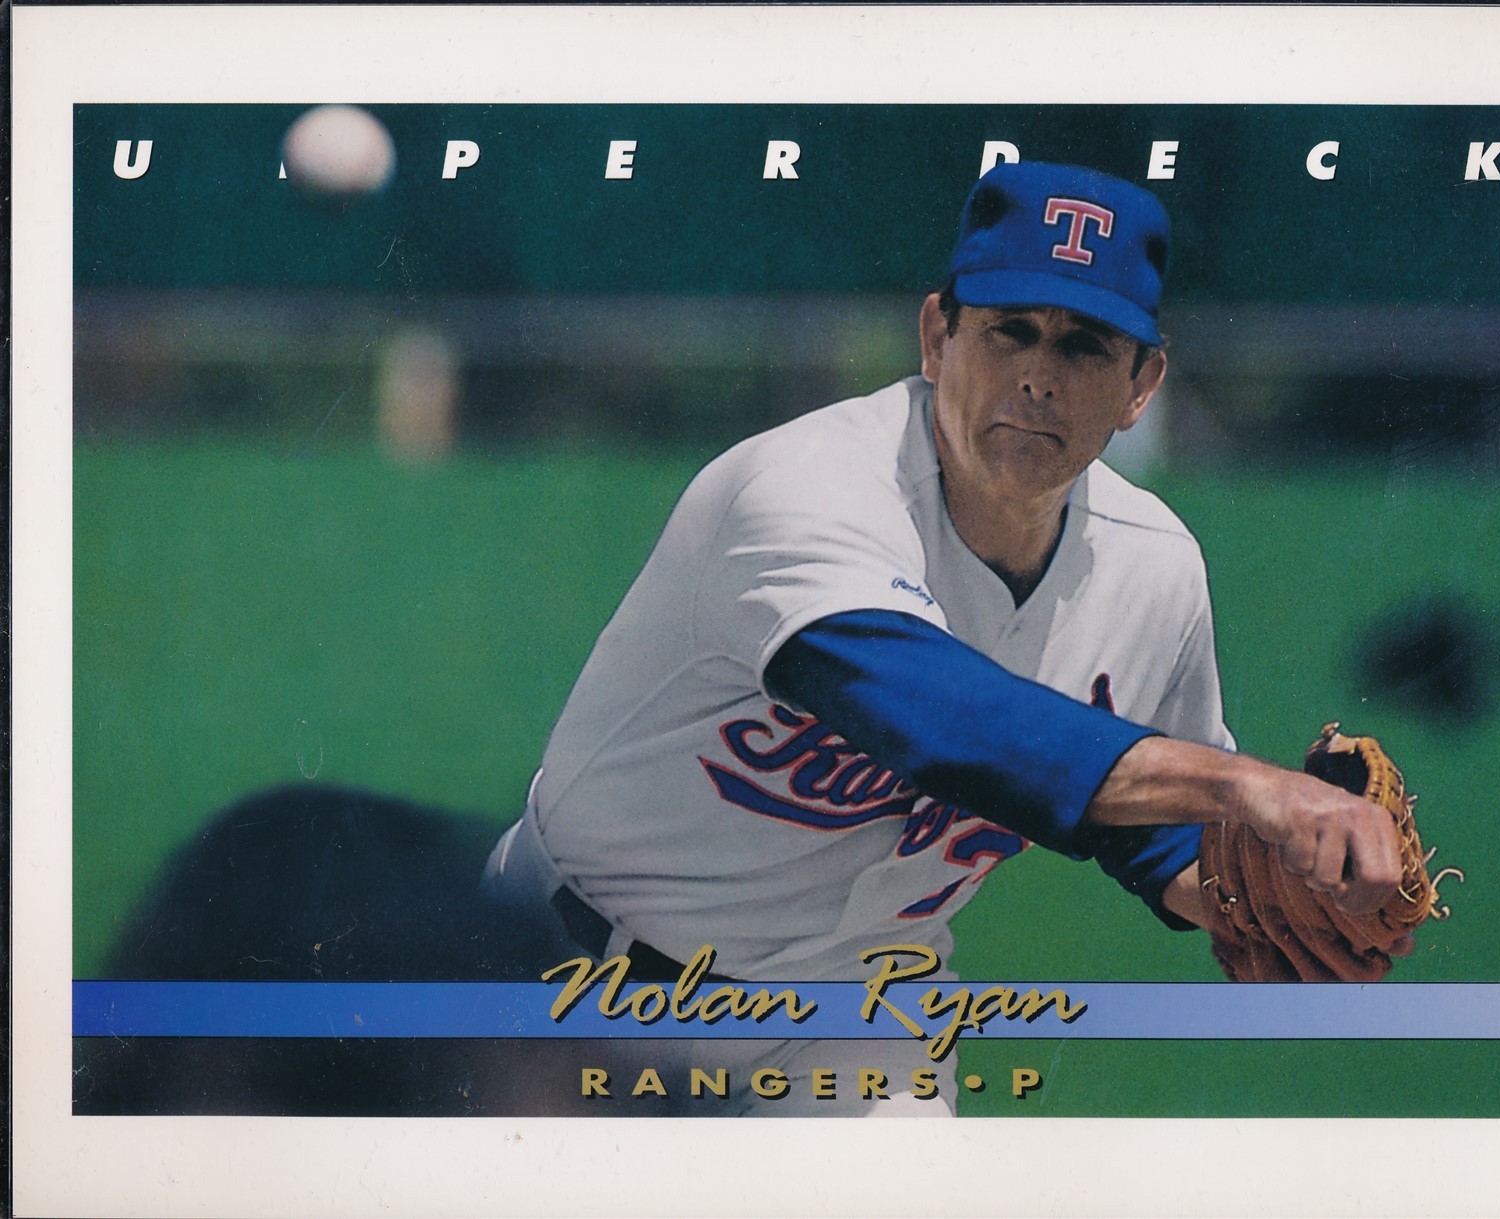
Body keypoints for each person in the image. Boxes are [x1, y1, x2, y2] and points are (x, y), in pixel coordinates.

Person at [483, 161, 1403, 1116]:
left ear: (1142, 385)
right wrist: (1246, 785)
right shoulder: (808, 486)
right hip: (574, 981)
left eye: (1086, 345)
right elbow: (939, 718)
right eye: (1011, 330)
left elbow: (1151, 823)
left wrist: (1265, 905)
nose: (1039, 375)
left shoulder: (1155, 569)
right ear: (936, 337)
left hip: (855, 1019)